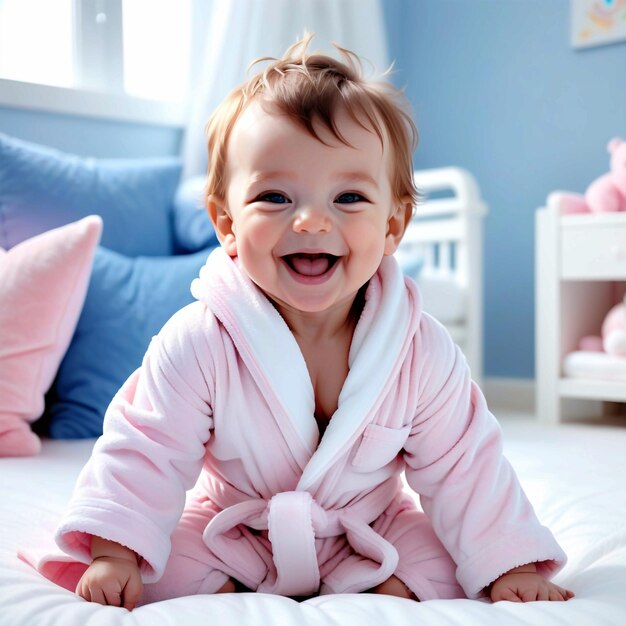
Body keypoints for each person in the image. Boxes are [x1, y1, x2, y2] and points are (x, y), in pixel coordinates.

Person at [54, 36, 574, 610]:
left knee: (447, 567)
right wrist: (117, 552)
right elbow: (146, 447)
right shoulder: (199, 340)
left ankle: (380, 582)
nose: (310, 221)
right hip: (236, 530)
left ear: (393, 226)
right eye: (275, 196)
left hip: (367, 528)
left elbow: (463, 464)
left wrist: (509, 562)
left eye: (349, 197)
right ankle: (229, 585)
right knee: (160, 573)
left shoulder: (419, 350)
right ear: (226, 224)